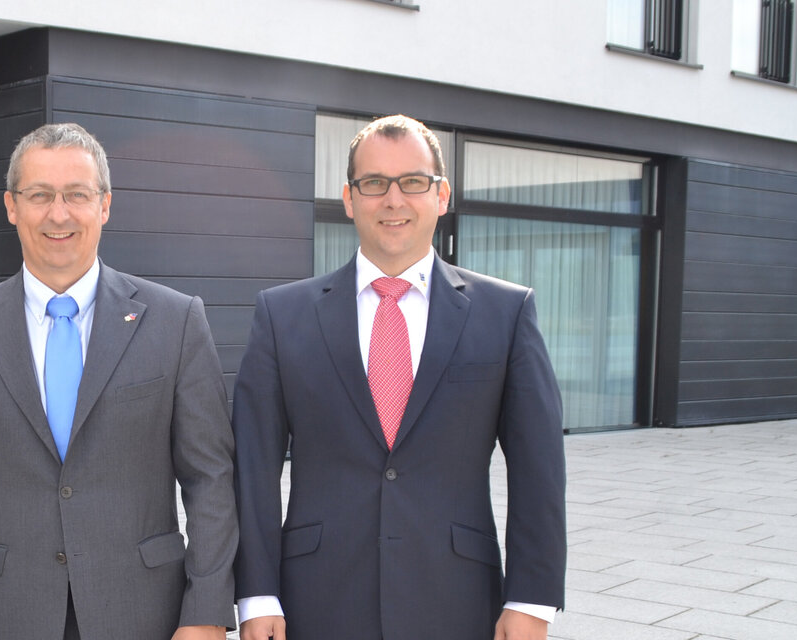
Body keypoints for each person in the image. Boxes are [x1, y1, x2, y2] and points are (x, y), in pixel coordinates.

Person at [0, 123, 237, 640]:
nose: (58, 214)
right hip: (8, 616)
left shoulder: (176, 321)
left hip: (146, 614)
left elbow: (210, 481)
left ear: (104, 205)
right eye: (39, 195)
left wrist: (208, 614)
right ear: (11, 206)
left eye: (76, 195)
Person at [232, 115, 566, 640]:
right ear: (348, 197)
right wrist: (256, 594)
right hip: (315, 600)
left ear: (442, 194)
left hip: (458, 599)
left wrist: (531, 600)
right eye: (374, 184)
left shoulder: (506, 313)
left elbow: (539, 469)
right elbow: (252, 467)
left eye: (413, 182)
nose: (393, 199)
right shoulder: (282, 315)